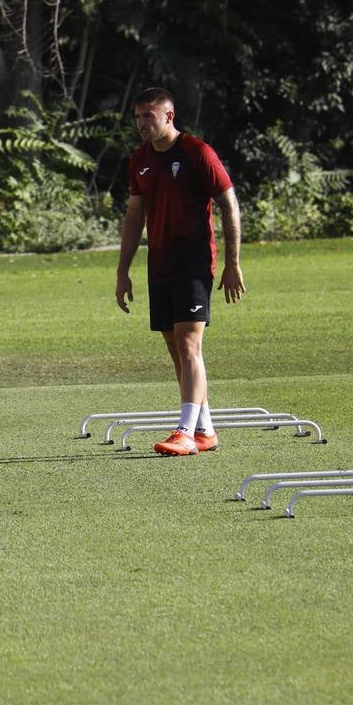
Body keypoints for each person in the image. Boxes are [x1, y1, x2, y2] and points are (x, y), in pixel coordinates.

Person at [114, 87, 244, 456]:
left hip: (193, 261)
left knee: (189, 344)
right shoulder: (139, 159)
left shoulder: (196, 152)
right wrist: (123, 271)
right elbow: (135, 215)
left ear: (168, 116)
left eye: (148, 115)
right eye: (137, 116)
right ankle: (204, 430)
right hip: (160, 263)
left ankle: (185, 431)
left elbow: (229, 204)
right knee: (175, 348)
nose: (141, 123)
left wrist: (233, 263)